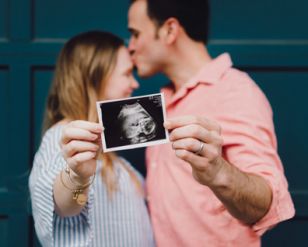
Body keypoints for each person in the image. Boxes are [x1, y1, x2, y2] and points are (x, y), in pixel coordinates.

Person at [127, 0, 295, 246]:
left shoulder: (234, 91)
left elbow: (265, 205)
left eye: (135, 34)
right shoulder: (160, 103)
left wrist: (217, 171)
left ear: (170, 30)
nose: (130, 47)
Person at [29, 30, 155, 247]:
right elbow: (66, 206)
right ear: (95, 78)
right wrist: (78, 178)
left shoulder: (109, 154)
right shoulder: (64, 139)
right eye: (126, 74)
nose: (134, 84)